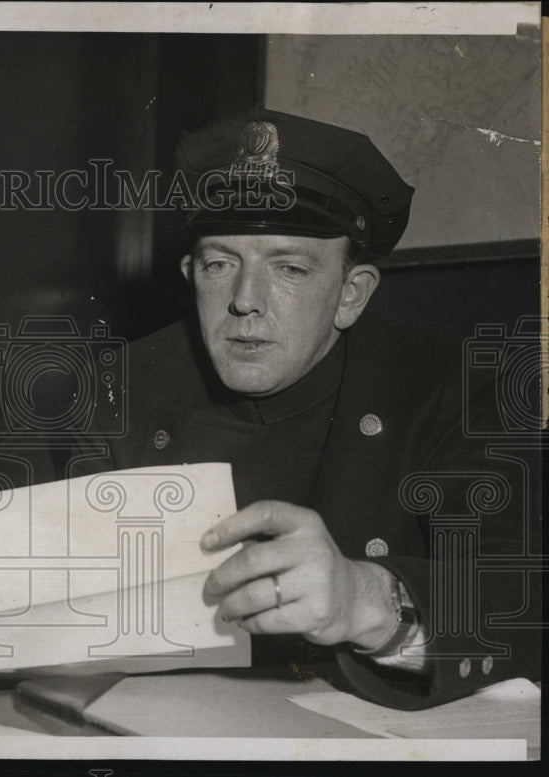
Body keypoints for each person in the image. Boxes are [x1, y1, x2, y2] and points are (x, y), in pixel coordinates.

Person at [77, 109, 541, 709]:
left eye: (289, 268)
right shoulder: (120, 384)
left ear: (352, 294)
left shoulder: (451, 387)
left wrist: (364, 599)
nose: (245, 301)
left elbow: (520, 599)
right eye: (221, 264)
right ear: (192, 275)